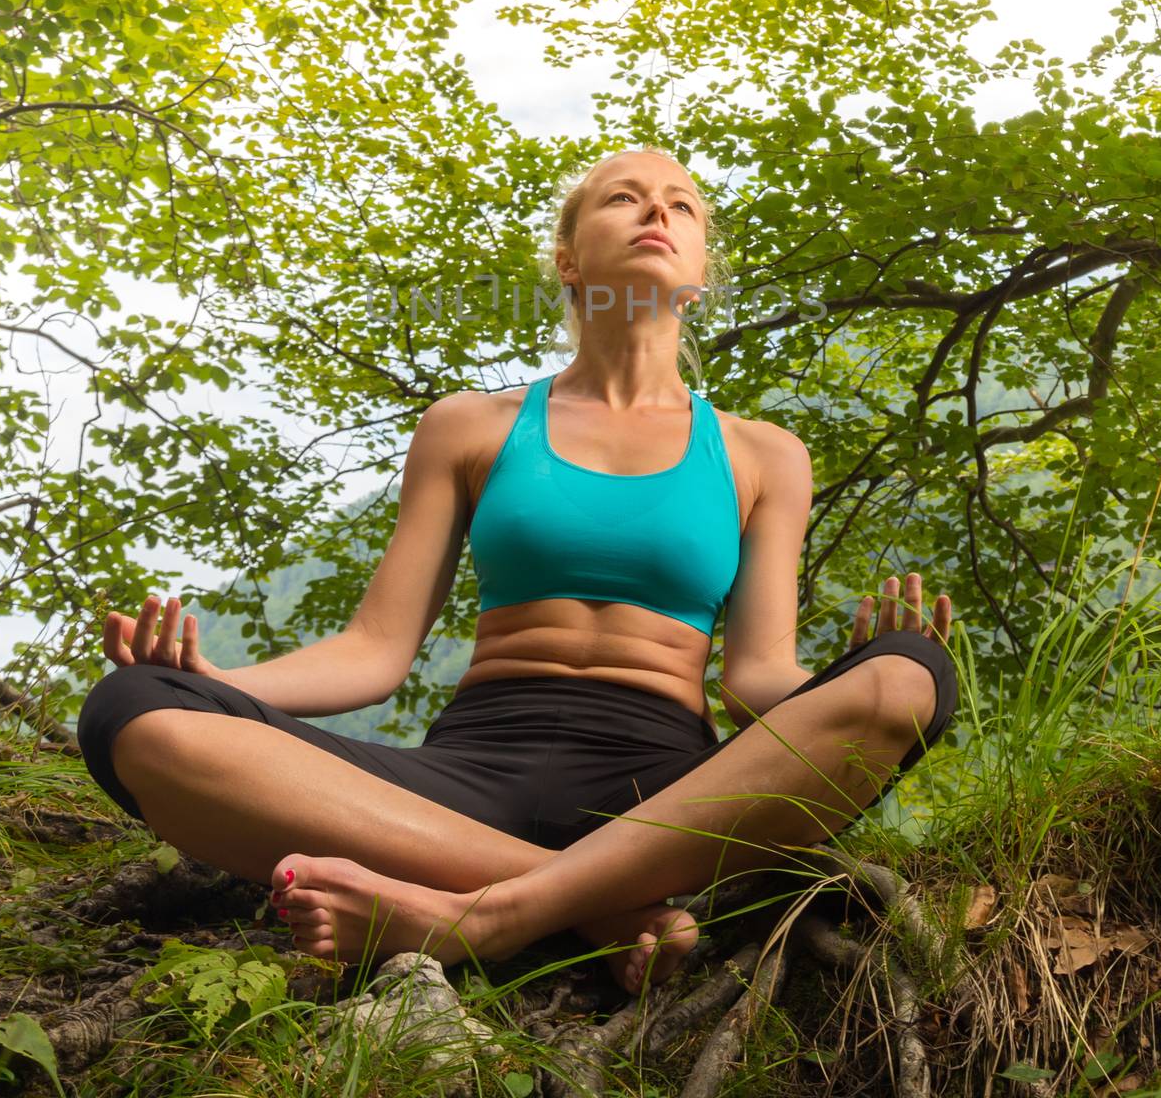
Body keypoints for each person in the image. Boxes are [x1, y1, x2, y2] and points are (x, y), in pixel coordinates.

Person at [76, 148, 957, 995]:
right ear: (570, 262)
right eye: (623, 196)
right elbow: (374, 652)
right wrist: (216, 680)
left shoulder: (763, 453)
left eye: (681, 204)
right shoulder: (471, 425)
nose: (657, 209)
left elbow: (756, 678)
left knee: (906, 682)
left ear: (698, 272)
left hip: (664, 795)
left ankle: (488, 918)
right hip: (468, 780)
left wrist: (857, 679)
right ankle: (605, 910)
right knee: (138, 714)